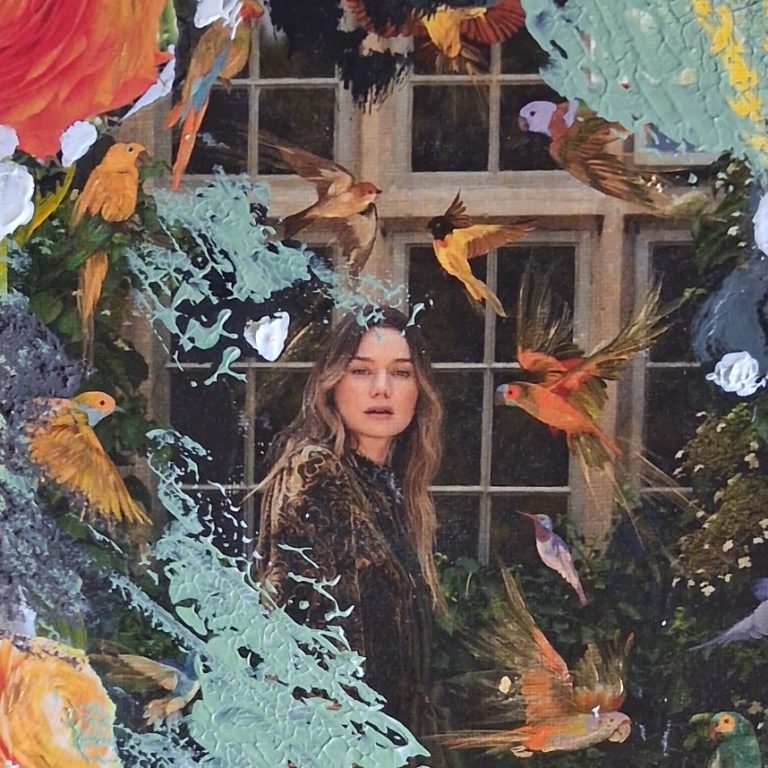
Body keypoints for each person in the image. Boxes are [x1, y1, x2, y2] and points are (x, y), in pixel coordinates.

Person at [256, 306, 445, 738]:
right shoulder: (316, 471)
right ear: (333, 384)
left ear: (419, 389)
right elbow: (302, 627)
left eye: (401, 373)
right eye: (361, 371)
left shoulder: (391, 488)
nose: (382, 389)